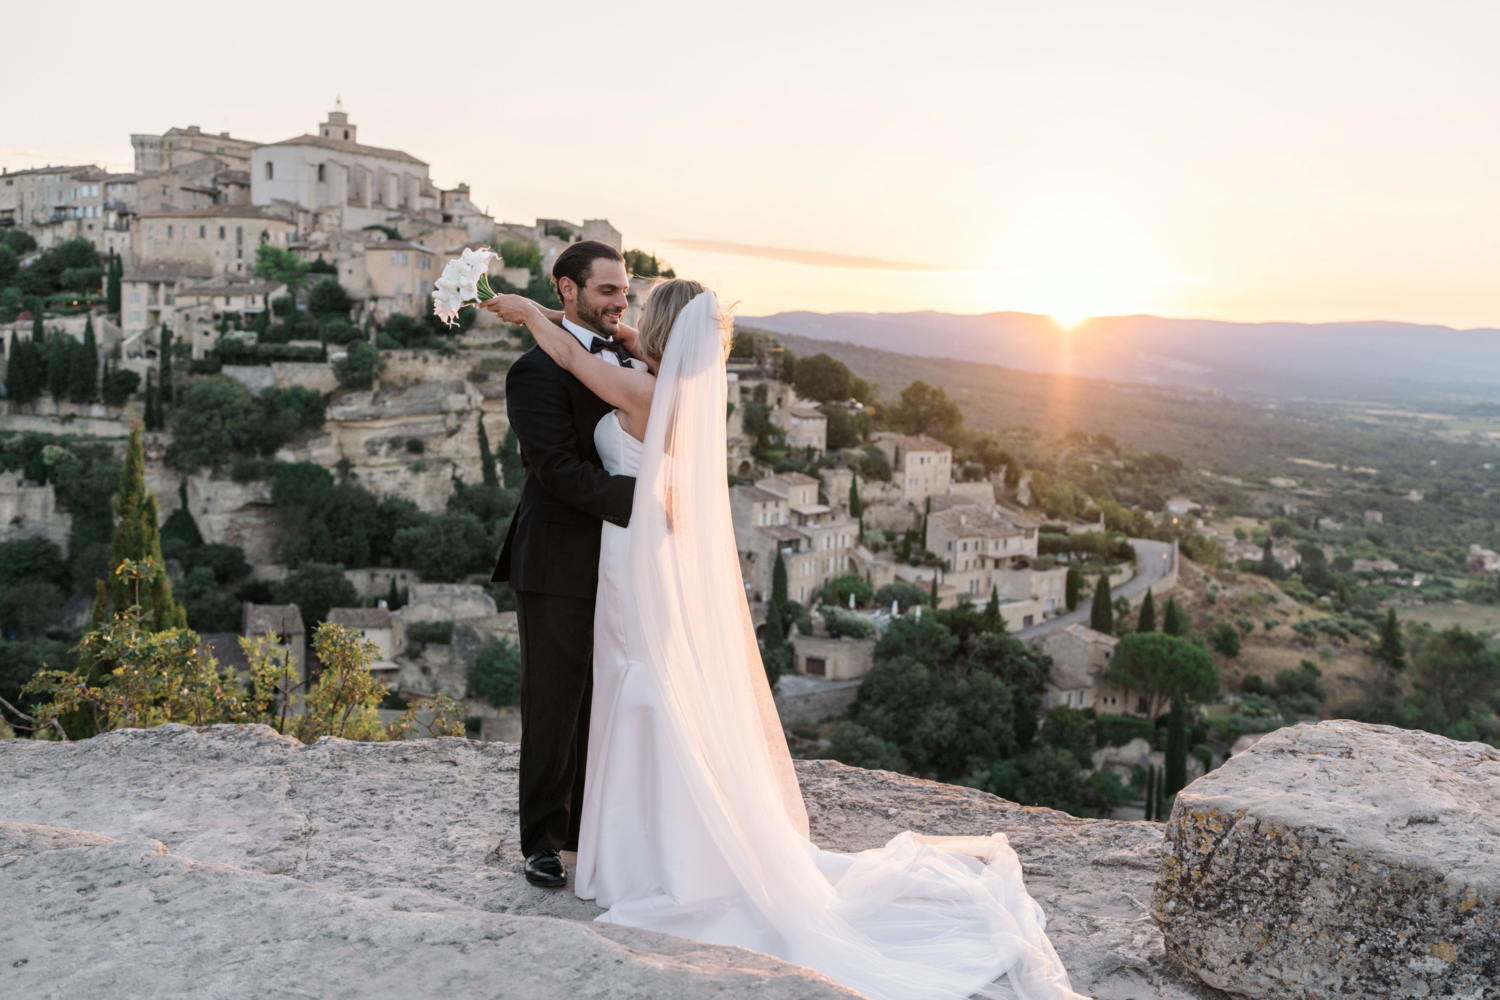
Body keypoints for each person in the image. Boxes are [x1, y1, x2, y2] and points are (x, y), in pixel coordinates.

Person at [484, 281, 1085, 1000]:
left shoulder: (641, 392)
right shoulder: (677, 384)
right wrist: (550, 312)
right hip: (645, 548)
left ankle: (655, 852)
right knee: (642, 679)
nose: (629, 320)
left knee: (639, 681)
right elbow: (595, 343)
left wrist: (525, 316)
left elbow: (576, 361)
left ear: (661, 329)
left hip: (635, 553)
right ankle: (644, 840)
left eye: (640, 311)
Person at [489, 240, 638, 889]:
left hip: (621, 559)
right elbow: (556, 469)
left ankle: (587, 829)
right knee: (555, 702)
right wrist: (650, 502)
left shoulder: (629, 355)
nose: (618, 303)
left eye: (623, 291)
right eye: (606, 291)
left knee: (603, 697)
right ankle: (543, 840)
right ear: (567, 289)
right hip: (556, 556)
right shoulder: (533, 372)